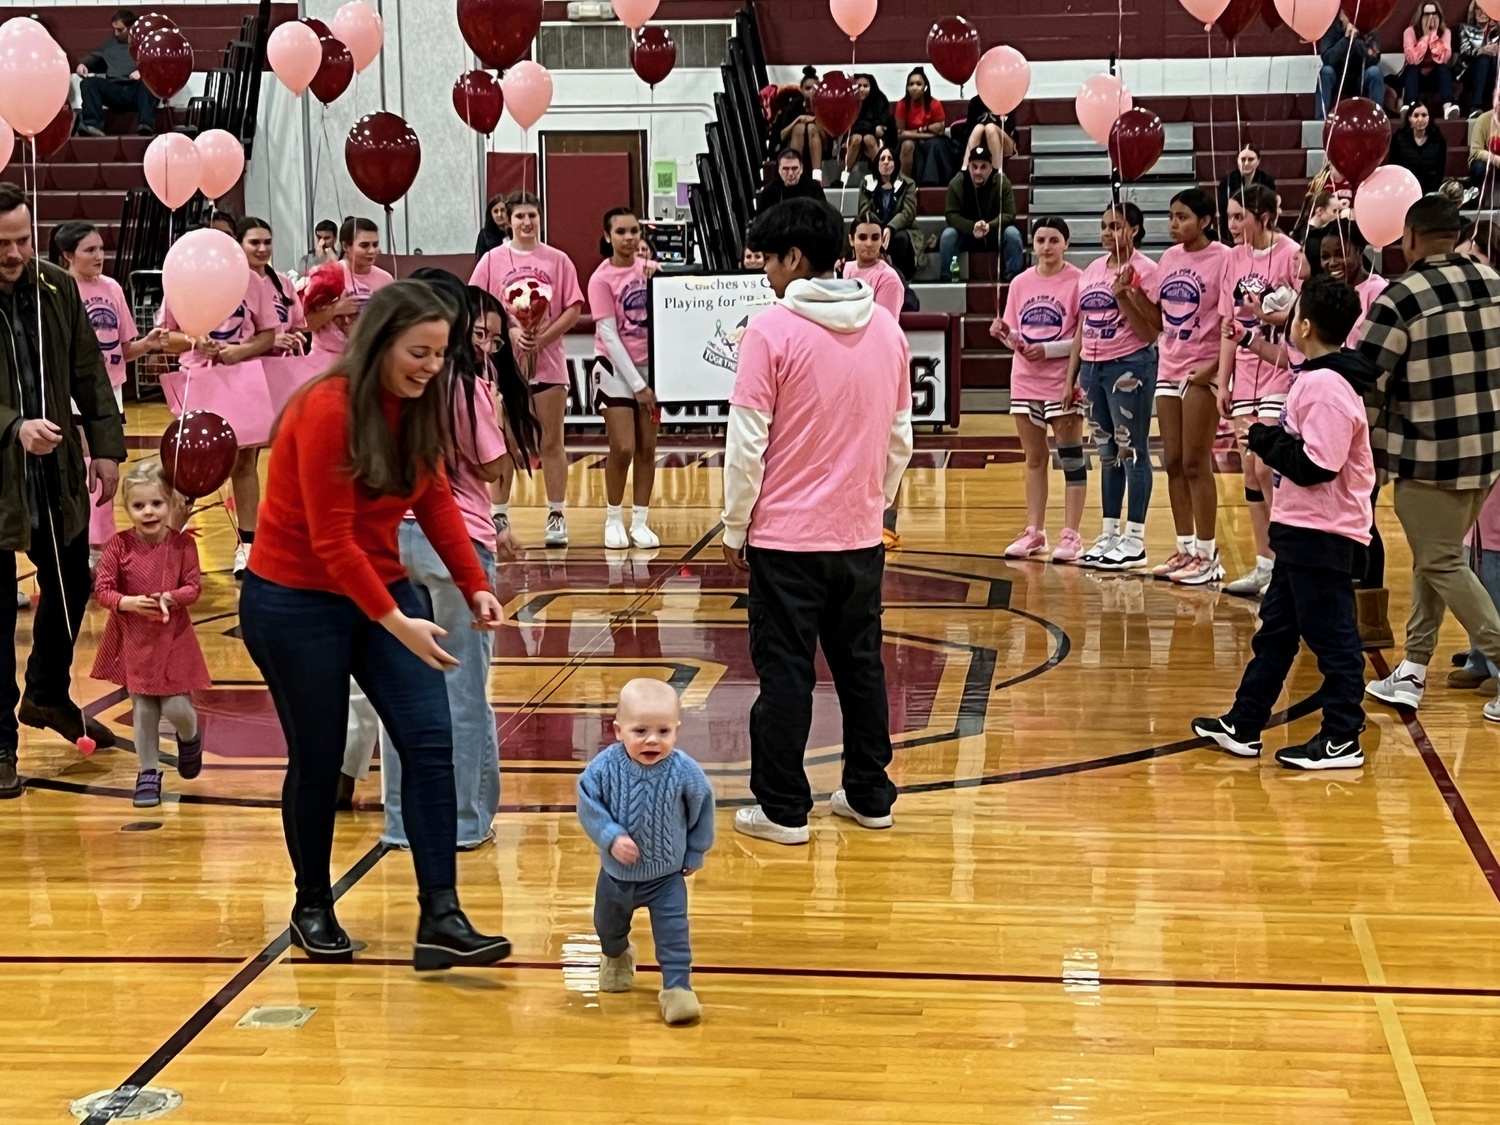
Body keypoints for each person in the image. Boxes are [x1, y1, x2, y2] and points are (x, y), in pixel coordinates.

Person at [240, 280, 511, 966]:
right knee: (320, 752)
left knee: (428, 738)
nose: (430, 365)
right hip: (294, 599)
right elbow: (333, 544)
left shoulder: (418, 407)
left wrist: (475, 585)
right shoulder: (327, 409)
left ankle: (441, 915)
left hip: (376, 584)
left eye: (440, 353)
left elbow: (438, 500)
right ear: (380, 343)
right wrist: (397, 622)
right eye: (419, 351)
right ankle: (311, 903)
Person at [724, 197, 913, 845]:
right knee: (860, 666)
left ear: (795, 258)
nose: (766, 274)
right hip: (859, 539)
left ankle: (781, 807)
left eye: (769, 260)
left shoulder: (770, 329)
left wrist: (733, 527)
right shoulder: (888, 328)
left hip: (783, 541)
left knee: (786, 673)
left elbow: (746, 443)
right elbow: (901, 438)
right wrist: (872, 501)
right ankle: (869, 793)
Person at [1193, 275, 1378, 770]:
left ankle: (1342, 735)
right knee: (1275, 632)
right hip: (1302, 530)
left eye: (1294, 315)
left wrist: (1263, 439)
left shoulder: (1325, 386)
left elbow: (1319, 464)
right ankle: (1245, 723)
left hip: (1324, 532)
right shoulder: (1318, 377)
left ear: (1306, 325)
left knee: (1333, 638)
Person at [378, 269, 512, 852]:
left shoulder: (385, 382)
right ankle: (463, 820)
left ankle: (401, 820)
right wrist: (499, 414)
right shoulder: (463, 381)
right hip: (457, 542)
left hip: (391, 540)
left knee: (398, 688)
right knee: (462, 689)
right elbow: (492, 467)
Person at [0, 183, 125, 799]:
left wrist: (105, 446)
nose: (16, 253)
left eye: (23, 239)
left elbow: (87, 370)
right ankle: (1, 742)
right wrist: (13, 426)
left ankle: (46, 693)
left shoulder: (55, 287)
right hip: (1, 473)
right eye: (2, 244)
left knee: (74, 579)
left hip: (53, 472)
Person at [1358, 196, 1500, 722]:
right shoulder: (1494, 285)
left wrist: (1361, 451)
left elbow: (1367, 381)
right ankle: (1413, 669)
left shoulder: (1402, 297)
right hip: (1487, 452)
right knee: (1432, 556)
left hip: (1427, 455)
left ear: (1411, 238)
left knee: (1439, 559)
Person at [577, 678, 715, 1026]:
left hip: (666, 877)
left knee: (673, 935)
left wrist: (695, 851)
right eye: (640, 730)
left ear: (677, 731)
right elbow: (588, 804)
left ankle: (677, 988)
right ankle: (616, 956)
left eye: (663, 731)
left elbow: (704, 811)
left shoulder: (685, 772)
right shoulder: (604, 769)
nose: (653, 739)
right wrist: (611, 836)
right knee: (607, 926)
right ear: (618, 730)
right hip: (616, 877)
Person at [157, 221, 281, 580]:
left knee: (245, 463)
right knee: (189, 468)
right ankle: (168, 550)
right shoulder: (180, 278)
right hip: (197, 379)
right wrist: (197, 343)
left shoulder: (252, 282)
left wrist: (239, 350)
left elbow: (269, 334)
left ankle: (248, 545)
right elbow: (166, 338)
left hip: (240, 378)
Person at [89, 458, 208, 807]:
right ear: (128, 509)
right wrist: (127, 603)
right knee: (143, 707)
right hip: (135, 638)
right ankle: (148, 772)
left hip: (173, 638)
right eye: (139, 506)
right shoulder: (118, 546)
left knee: (175, 707)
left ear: (170, 504)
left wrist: (171, 596)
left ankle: (190, 736)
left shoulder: (183, 546)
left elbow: (193, 588)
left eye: (156, 503)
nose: (148, 512)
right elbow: (104, 591)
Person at [50, 220, 168, 561]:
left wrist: (148, 344)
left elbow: (124, 349)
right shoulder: (59, 289)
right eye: (90, 250)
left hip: (110, 390)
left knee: (105, 466)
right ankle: (87, 543)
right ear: (67, 255)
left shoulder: (113, 288)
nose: (99, 256)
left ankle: (101, 546)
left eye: (101, 248)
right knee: (87, 463)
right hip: (72, 392)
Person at [471, 192, 583, 548]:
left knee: (551, 441)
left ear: (540, 218)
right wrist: (511, 330)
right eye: (519, 216)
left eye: (532, 215)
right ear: (509, 221)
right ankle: (499, 511)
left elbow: (573, 307)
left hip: (549, 365)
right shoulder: (492, 260)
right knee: (503, 441)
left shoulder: (558, 259)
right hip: (504, 364)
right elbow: (476, 303)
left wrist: (544, 335)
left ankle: (556, 513)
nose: (526, 222)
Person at [1215, 182, 1301, 597]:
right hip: (1244, 373)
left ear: (1263, 217)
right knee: (1249, 469)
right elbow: (1228, 326)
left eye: (1238, 217)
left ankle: (1287, 561)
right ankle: (1264, 563)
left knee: (1268, 466)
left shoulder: (1291, 254)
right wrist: (1223, 380)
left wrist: (1266, 313)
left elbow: (1301, 321)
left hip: (1279, 369)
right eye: (1229, 216)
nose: (1231, 225)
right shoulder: (1232, 259)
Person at [1144, 189, 1231, 585]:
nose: (1174, 224)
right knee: (1174, 461)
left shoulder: (1224, 258)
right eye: (1171, 216)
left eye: (1182, 217)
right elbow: (1155, 322)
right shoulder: (1168, 259)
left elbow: (1233, 321)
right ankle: (1186, 548)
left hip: (1203, 371)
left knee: (1197, 462)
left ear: (1206, 221)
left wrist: (1214, 369)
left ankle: (1209, 554)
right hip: (1169, 367)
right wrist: (1126, 291)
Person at [1071, 202, 1161, 570]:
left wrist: (1126, 293)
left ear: (1135, 230)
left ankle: (1135, 539)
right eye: (1105, 225)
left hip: (1130, 364)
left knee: (1132, 450)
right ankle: (1108, 532)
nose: (1109, 232)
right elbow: (1082, 326)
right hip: (1093, 369)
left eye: (1117, 226)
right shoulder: (1092, 269)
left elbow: (1151, 331)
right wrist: (1073, 375)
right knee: (1106, 452)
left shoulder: (1147, 270)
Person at [991, 217, 1087, 563]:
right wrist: (1005, 334)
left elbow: (1081, 337)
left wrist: (1050, 353)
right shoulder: (1019, 283)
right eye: (1041, 240)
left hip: (1062, 380)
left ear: (1067, 244)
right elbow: (1018, 338)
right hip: (1025, 380)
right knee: (1034, 459)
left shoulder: (1079, 280)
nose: (1046, 247)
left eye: (1054, 240)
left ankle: (1072, 534)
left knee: (1071, 458)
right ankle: (1035, 531)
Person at [589, 208, 660, 551]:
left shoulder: (651, 272)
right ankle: (613, 518)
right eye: (621, 232)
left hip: (653, 367)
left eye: (634, 230)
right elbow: (609, 334)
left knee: (648, 448)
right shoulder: (601, 279)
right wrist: (639, 387)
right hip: (615, 367)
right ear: (607, 236)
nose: (629, 237)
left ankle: (641, 521)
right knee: (623, 447)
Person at [305, 216, 393, 357]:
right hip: (326, 359)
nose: (372, 251)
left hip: (368, 360)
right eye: (364, 245)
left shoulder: (386, 280)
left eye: (375, 245)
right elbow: (304, 325)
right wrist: (335, 310)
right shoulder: (326, 275)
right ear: (346, 246)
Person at [940, 145, 1023, 282]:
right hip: (967, 234)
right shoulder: (957, 182)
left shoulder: (1002, 182)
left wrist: (990, 226)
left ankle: (1014, 279)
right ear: (969, 166)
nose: (978, 171)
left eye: (983, 167)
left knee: (1012, 234)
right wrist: (972, 226)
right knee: (948, 235)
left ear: (991, 166)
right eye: (974, 166)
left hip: (994, 233)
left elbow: (1009, 214)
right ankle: (948, 278)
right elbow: (951, 214)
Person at [76, 9, 156, 138]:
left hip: (136, 90)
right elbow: (94, 56)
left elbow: (158, 65)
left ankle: (145, 125)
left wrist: (143, 72)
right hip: (115, 89)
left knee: (149, 84)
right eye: (114, 29)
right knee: (89, 83)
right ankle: (92, 125)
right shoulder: (110, 43)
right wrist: (83, 64)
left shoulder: (145, 43)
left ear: (131, 28)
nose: (116, 33)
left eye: (120, 30)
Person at [856, 146, 919, 279]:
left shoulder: (908, 184)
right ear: (877, 163)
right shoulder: (867, 183)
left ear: (895, 163)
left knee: (900, 239)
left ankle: (902, 278)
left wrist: (890, 227)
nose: (885, 162)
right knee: (867, 236)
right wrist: (879, 229)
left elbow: (908, 213)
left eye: (890, 159)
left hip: (901, 228)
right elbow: (864, 211)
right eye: (882, 159)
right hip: (874, 228)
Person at [1317, 9, 1387, 120]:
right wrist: (1346, 39)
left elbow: (1374, 59)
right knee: (1326, 71)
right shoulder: (1331, 30)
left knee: (1375, 72)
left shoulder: (1370, 31)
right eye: (1348, 15)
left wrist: (1355, 41)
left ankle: (1378, 119)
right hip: (1337, 78)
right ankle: (1321, 119)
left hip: (1360, 78)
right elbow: (1327, 59)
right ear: (1341, 16)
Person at [1404, 2, 1460, 118]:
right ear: (1420, 16)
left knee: (1443, 68)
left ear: (1439, 16)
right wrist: (1425, 37)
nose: (1430, 18)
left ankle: (1448, 108)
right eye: (1426, 14)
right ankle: (1411, 107)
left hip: (1436, 78)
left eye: (1434, 14)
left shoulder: (1445, 32)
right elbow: (1412, 59)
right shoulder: (1410, 32)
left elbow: (1444, 58)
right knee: (1412, 68)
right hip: (1417, 77)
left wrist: (1433, 36)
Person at [843, 214, 904, 319]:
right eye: (862, 237)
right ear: (851, 240)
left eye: (875, 238)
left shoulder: (889, 279)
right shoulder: (845, 269)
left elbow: (885, 325)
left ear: (882, 241)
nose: (869, 243)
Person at [770, 67, 827, 178]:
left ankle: (817, 177)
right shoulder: (792, 106)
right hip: (796, 142)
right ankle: (796, 172)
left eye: (814, 89)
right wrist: (798, 119)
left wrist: (815, 121)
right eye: (808, 88)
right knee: (799, 128)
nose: (811, 92)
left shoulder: (825, 106)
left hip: (820, 145)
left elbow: (830, 136)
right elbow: (782, 136)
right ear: (801, 89)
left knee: (811, 127)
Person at [1216, 145, 1276, 246]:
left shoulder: (1267, 180)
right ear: (1237, 160)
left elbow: (1268, 208)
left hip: (1258, 230)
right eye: (1243, 159)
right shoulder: (1226, 181)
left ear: (1258, 161)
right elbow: (1224, 210)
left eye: (1251, 159)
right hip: (1232, 232)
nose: (1246, 163)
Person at [840, 74, 893, 187]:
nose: (862, 89)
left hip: (875, 138)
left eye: (865, 86)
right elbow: (850, 125)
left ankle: (880, 175)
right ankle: (844, 177)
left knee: (868, 139)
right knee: (857, 139)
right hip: (853, 136)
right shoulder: (848, 101)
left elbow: (882, 128)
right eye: (859, 86)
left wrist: (869, 128)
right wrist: (872, 128)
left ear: (871, 87)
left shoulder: (880, 100)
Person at [895, 67, 946, 181]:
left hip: (932, 141)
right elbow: (901, 134)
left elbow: (940, 131)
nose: (914, 87)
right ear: (907, 88)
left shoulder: (935, 104)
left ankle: (931, 182)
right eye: (911, 84)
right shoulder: (902, 105)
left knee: (935, 144)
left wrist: (915, 132)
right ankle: (904, 183)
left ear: (925, 87)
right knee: (907, 145)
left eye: (918, 84)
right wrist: (926, 131)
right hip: (911, 140)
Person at [1389, 103, 1449, 193]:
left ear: (1429, 117)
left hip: (1430, 190)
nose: (1420, 119)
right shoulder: (1398, 138)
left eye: (1424, 115)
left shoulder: (1439, 140)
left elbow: (1440, 171)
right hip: (1405, 189)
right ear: (1409, 118)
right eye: (1416, 115)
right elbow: (1394, 167)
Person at [755, 148, 826, 214]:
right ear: (779, 170)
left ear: (801, 169)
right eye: (785, 169)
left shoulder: (813, 188)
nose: (791, 173)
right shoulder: (770, 190)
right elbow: (762, 222)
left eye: (794, 168)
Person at [1460, 1, 1500, 116]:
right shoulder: (1466, 29)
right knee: (1483, 59)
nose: (1482, 14)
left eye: (1485, 11)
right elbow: (1464, 52)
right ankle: (1475, 106)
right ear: (1473, 12)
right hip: (1470, 71)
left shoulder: (1497, 32)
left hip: (1492, 73)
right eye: (1479, 10)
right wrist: (1481, 50)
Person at [959, 93, 1018, 165]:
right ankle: (965, 169)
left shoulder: (1007, 101)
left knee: (990, 128)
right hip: (982, 144)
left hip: (1005, 143)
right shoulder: (975, 102)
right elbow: (969, 130)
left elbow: (1009, 128)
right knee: (978, 128)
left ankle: (997, 171)